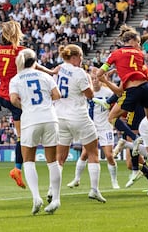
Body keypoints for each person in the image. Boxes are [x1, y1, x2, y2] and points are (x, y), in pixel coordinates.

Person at [0, 20, 55, 189]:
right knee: (22, 135)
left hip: (2, 95)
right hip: (16, 96)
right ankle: (18, 168)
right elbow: (35, 65)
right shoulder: (22, 51)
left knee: (25, 131)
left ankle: (19, 167)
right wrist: (50, 71)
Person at [9, 48, 62, 214]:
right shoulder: (45, 76)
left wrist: (24, 105)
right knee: (52, 161)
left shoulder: (15, 79)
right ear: (35, 61)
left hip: (30, 120)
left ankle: (36, 197)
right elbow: (57, 95)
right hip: (49, 118)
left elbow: (13, 99)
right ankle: (56, 199)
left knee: (29, 160)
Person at [53, 44, 106, 203]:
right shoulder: (79, 73)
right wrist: (90, 79)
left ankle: (52, 191)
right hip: (78, 116)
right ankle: (94, 190)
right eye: (80, 57)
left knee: (59, 158)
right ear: (74, 57)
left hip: (60, 116)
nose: (81, 60)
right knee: (92, 153)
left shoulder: (59, 68)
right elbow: (90, 95)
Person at [66, 69, 120, 190]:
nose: (95, 81)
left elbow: (119, 93)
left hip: (105, 127)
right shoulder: (86, 92)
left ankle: (114, 181)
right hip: (91, 127)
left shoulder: (107, 92)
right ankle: (76, 179)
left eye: (97, 78)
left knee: (109, 155)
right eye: (93, 78)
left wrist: (108, 77)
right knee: (85, 154)